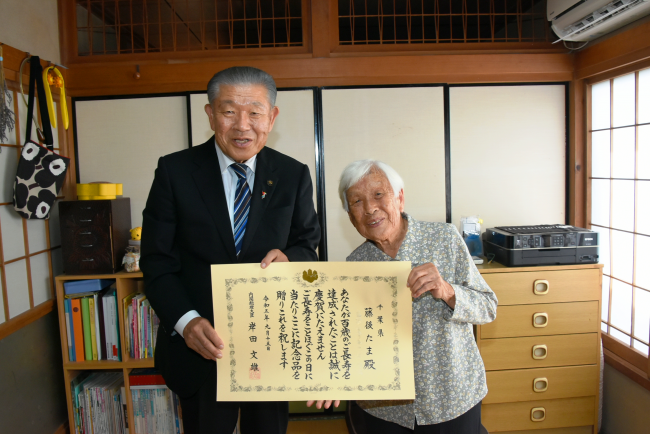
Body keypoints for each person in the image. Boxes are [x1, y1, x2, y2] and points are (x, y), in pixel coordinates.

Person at [140, 66, 320, 434]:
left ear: (272, 117)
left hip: (269, 344)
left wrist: (292, 259)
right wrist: (186, 322)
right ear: (210, 114)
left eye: (255, 112)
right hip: (202, 347)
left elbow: (308, 246)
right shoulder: (174, 172)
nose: (243, 125)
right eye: (229, 111)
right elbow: (156, 262)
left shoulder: (292, 174)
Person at [333, 159, 497, 433]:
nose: (370, 208)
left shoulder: (444, 238)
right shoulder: (354, 266)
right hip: (383, 409)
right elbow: (349, 339)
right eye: (356, 202)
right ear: (350, 215)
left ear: (399, 198)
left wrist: (447, 291)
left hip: (451, 400)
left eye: (378, 194)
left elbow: (488, 307)